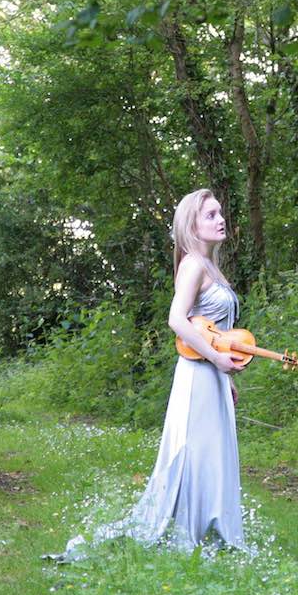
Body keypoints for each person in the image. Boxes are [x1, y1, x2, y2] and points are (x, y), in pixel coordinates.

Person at [51, 188, 249, 559]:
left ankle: (210, 527)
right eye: (210, 215)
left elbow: (211, 331)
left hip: (212, 376)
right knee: (193, 453)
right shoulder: (192, 264)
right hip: (196, 376)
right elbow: (177, 320)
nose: (220, 220)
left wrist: (227, 376)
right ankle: (187, 531)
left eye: (220, 213)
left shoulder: (210, 266)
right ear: (192, 224)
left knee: (211, 453)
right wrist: (217, 362)